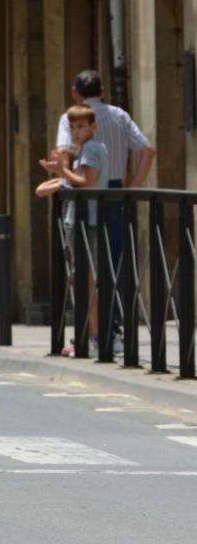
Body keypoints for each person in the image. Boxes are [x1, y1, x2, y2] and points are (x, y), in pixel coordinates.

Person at [54, 70, 155, 338]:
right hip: (115, 192)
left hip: (84, 194)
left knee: (86, 267)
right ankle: (113, 327)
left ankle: (94, 332)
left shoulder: (72, 118)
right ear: (102, 91)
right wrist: (131, 188)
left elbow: (64, 153)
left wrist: (63, 175)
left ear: (76, 93)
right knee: (113, 262)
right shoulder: (120, 116)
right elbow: (148, 150)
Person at [41, 104, 109, 355]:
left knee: (85, 280)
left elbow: (86, 183)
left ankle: (97, 338)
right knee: (81, 279)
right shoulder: (89, 148)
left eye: (81, 126)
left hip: (85, 220)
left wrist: (61, 171)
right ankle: (92, 337)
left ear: (93, 126)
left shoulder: (91, 148)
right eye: (72, 127)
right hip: (84, 219)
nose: (76, 131)